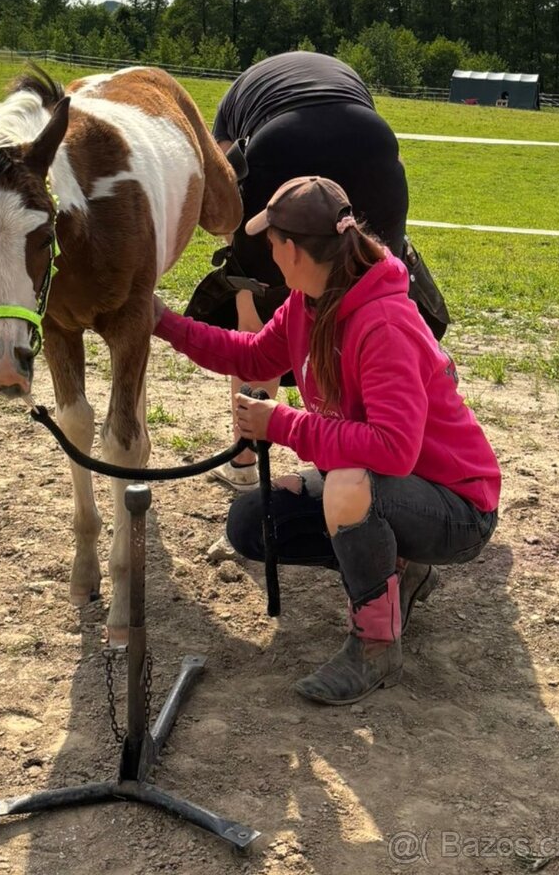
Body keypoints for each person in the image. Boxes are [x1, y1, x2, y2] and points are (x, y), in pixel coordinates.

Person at [153, 176, 501, 706]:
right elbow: (249, 357)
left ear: (291, 250)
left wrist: (284, 425)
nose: (267, 252)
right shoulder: (307, 304)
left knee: (344, 487)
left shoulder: (383, 323)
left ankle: (377, 648)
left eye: (270, 242)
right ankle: (397, 568)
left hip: (458, 508)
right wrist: (161, 322)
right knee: (254, 523)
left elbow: (393, 449)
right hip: (391, 482)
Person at [199, 50, 416, 491]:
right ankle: (374, 452)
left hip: (280, 143)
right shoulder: (341, 74)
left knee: (252, 313)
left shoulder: (234, 102)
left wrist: (245, 263)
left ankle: (243, 458)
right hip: (374, 142)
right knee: (374, 295)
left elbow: (223, 189)